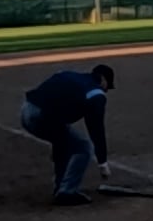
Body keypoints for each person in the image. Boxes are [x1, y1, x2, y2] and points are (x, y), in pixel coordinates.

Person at [20, 64, 115, 206]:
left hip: (26, 109)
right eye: (107, 86)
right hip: (41, 116)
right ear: (103, 79)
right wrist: (102, 162)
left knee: (63, 142)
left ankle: (60, 187)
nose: (106, 90)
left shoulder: (70, 75)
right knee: (83, 147)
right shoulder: (96, 93)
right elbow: (96, 128)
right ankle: (67, 191)